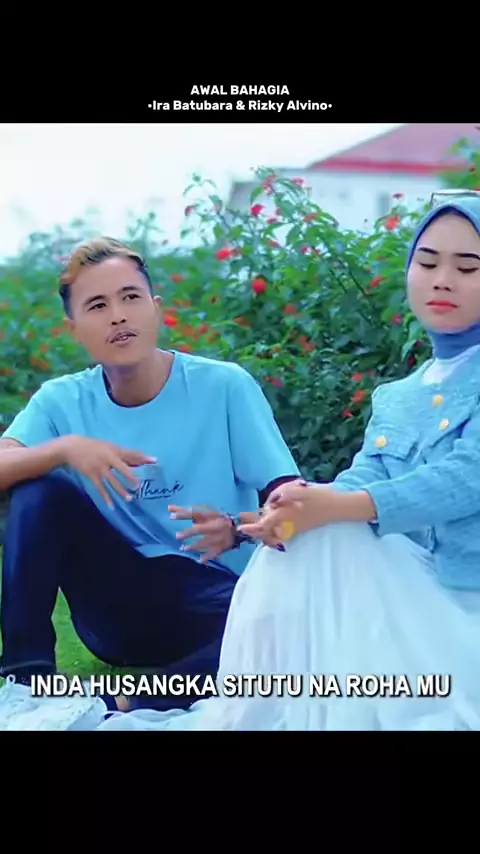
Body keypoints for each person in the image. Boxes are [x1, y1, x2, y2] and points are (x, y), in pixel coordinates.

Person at [96, 190, 480, 732]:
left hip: (465, 604)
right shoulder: (400, 397)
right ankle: (259, 704)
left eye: (468, 267)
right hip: (411, 596)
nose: (442, 280)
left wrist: (339, 506)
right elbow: (366, 474)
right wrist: (292, 508)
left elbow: (465, 479)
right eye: (428, 262)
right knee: (303, 531)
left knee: (333, 527)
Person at [0, 236, 300, 730]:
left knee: (291, 629)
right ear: (74, 329)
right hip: (116, 609)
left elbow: (294, 511)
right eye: (98, 306)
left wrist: (236, 527)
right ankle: (24, 683)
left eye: (130, 297)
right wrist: (63, 449)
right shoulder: (61, 401)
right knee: (40, 489)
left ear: (155, 307)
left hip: (219, 601)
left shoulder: (223, 386)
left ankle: (122, 703)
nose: (118, 316)